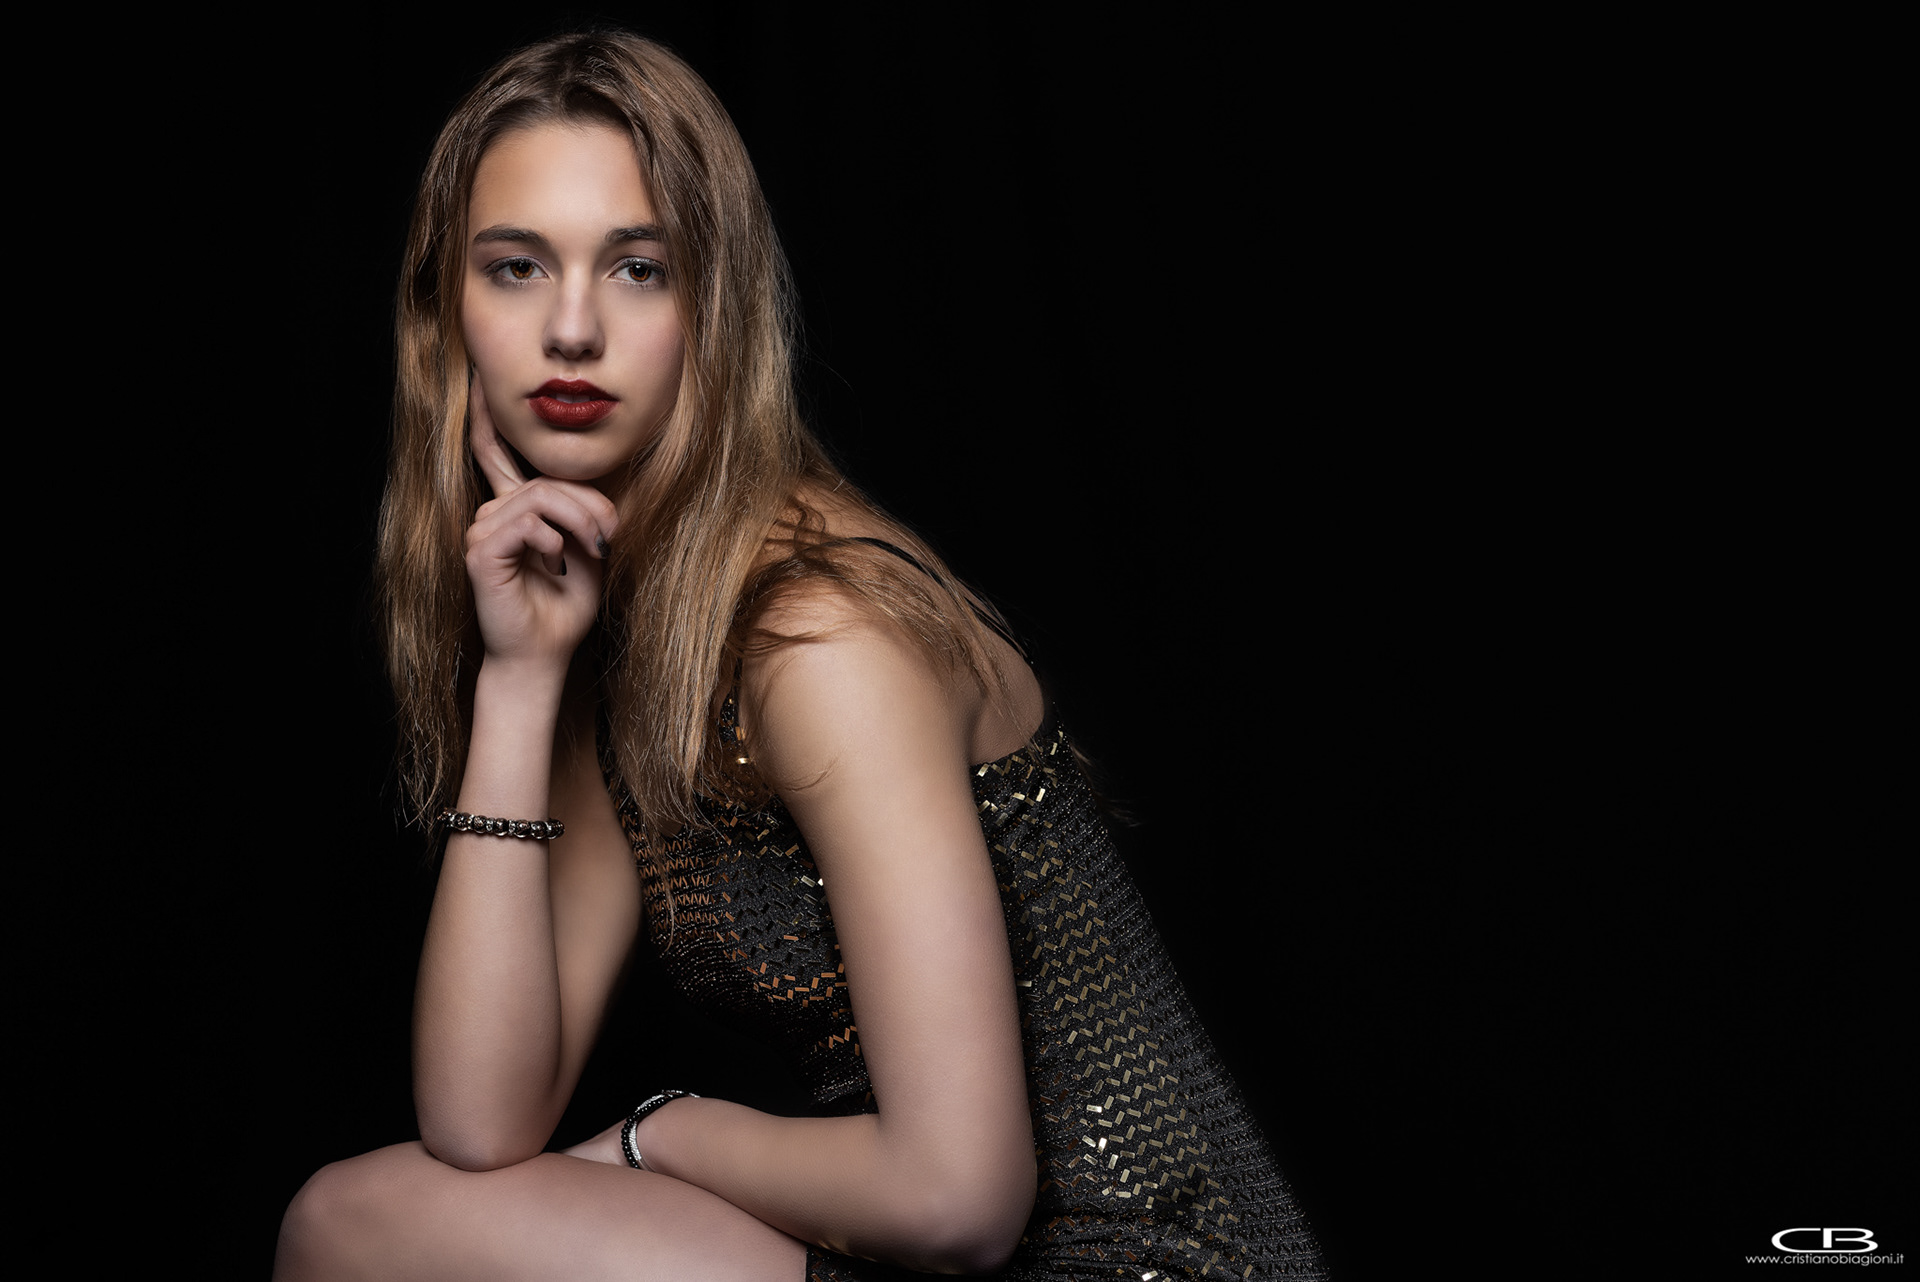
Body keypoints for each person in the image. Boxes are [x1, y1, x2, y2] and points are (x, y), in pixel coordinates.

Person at [274, 30, 1325, 1281]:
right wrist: (520, 679)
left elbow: (958, 1198)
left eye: (639, 269)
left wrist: (667, 1133)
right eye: (516, 268)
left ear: (713, 306)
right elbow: (479, 1121)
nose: (572, 328)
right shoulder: (636, 618)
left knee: (347, 1226)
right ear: (444, 313)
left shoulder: (817, 633)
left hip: (1139, 1262)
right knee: (358, 1216)